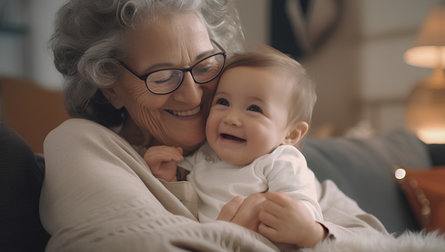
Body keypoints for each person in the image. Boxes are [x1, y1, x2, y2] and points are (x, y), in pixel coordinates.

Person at [41, 0, 387, 251]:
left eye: (205, 65)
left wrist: (312, 232)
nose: (192, 96)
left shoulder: (267, 155)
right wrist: (238, 237)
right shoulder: (82, 145)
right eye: (163, 77)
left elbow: (379, 240)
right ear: (110, 85)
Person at [145, 49, 325, 247]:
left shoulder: (280, 161)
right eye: (223, 102)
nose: (231, 118)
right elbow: (179, 205)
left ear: (291, 134)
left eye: (254, 109)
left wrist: (307, 231)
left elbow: (303, 208)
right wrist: (169, 177)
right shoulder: (205, 154)